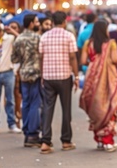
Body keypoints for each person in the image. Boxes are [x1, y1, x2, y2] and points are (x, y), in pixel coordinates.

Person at [80, 20, 117, 152]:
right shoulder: (111, 44)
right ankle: (108, 142)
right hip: (107, 79)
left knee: (96, 107)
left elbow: (83, 61)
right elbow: (115, 60)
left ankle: (99, 140)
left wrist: (95, 64)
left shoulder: (88, 43)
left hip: (92, 79)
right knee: (108, 106)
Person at [39, 11, 79, 154]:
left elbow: (41, 57)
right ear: (65, 21)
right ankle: (66, 141)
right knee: (66, 109)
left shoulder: (44, 36)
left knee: (47, 109)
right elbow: (73, 57)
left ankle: (45, 141)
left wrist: (42, 74)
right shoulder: (69, 36)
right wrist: (77, 75)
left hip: (49, 77)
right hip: (64, 76)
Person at [11, 14, 42, 148]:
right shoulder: (38, 38)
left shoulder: (19, 39)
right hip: (36, 74)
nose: (38, 24)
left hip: (23, 74)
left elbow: (14, 59)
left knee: (26, 103)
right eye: (36, 22)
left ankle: (26, 131)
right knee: (35, 103)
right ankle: (32, 134)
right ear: (30, 23)